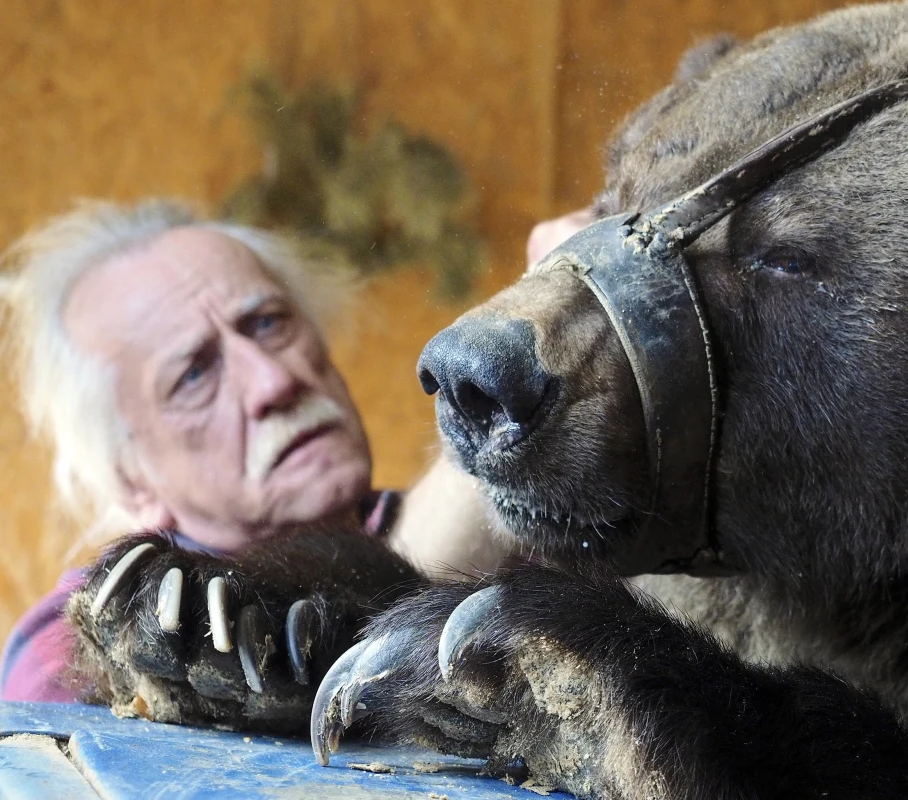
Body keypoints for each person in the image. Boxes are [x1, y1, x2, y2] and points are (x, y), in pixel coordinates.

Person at [0, 199, 592, 702]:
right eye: (192, 376)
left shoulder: (532, 538)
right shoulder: (76, 649)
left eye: (266, 323)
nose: (272, 382)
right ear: (133, 483)